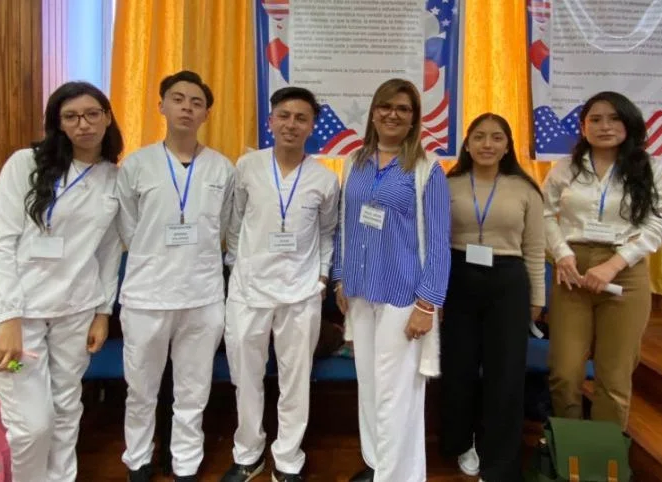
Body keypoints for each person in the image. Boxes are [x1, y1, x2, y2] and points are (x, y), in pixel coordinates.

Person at [0, 81, 124, 482]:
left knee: (66, 410)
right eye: (70, 117)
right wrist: (8, 319)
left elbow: (107, 252)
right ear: (58, 124)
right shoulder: (26, 164)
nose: (84, 124)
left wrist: (102, 312)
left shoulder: (112, 177)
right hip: (17, 318)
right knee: (31, 425)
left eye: (92, 114)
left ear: (107, 117)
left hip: (74, 313)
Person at [115, 70, 235, 482]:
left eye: (196, 102)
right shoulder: (136, 165)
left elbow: (227, 229)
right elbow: (128, 229)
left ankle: (186, 464)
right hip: (147, 296)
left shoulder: (222, 168)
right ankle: (139, 461)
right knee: (140, 390)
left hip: (202, 296)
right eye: (179, 99)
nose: (187, 107)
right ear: (161, 105)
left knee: (193, 391)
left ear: (206, 114)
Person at [333, 78, 451, 482]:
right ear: (373, 112)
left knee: (397, 393)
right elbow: (344, 227)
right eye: (385, 106)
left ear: (415, 117)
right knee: (369, 385)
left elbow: (439, 242)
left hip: (404, 297)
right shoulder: (354, 161)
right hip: (361, 292)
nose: (392, 114)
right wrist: (339, 279)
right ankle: (377, 463)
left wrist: (427, 304)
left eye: (403, 108)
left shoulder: (427, 168)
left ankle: (398, 476)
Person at [220, 87, 339, 482]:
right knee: (246, 378)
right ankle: (248, 454)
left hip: (301, 293)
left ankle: (288, 459)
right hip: (248, 292)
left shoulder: (324, 178)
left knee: (295, 379)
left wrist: (321, 277)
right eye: (283, 115)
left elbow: (327, 234)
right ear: (270, 121)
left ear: (312, 126)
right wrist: (238, 268)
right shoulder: (248, 166)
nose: (291, 124)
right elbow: (235, 223)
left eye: (300, 118)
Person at [543, 91, 662, 428]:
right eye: (595, 120)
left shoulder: (651, 169)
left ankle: (604, 463)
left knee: (614, 379)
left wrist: (614, 264)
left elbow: (657, 222)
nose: (605, 126)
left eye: (614, 118)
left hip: (624, 274)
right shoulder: (566, 168)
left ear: (629, 123)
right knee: (564, 373)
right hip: (572, 272)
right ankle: (568, 455)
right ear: (583, 127)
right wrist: (562, 254)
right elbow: (543, 214)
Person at [441, 113, 545, 481]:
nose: (487, 144)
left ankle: (499, 459)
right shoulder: (445, 184)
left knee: (506, 374)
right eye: (480, 137)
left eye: (496, 138)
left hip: (508, 283)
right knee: (457, 369)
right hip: (456, 279)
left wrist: (538, 298)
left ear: (507, 145)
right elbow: (433, 243)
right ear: (467, 143)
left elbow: (534, 247)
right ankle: (460, 442)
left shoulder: (525, 188)